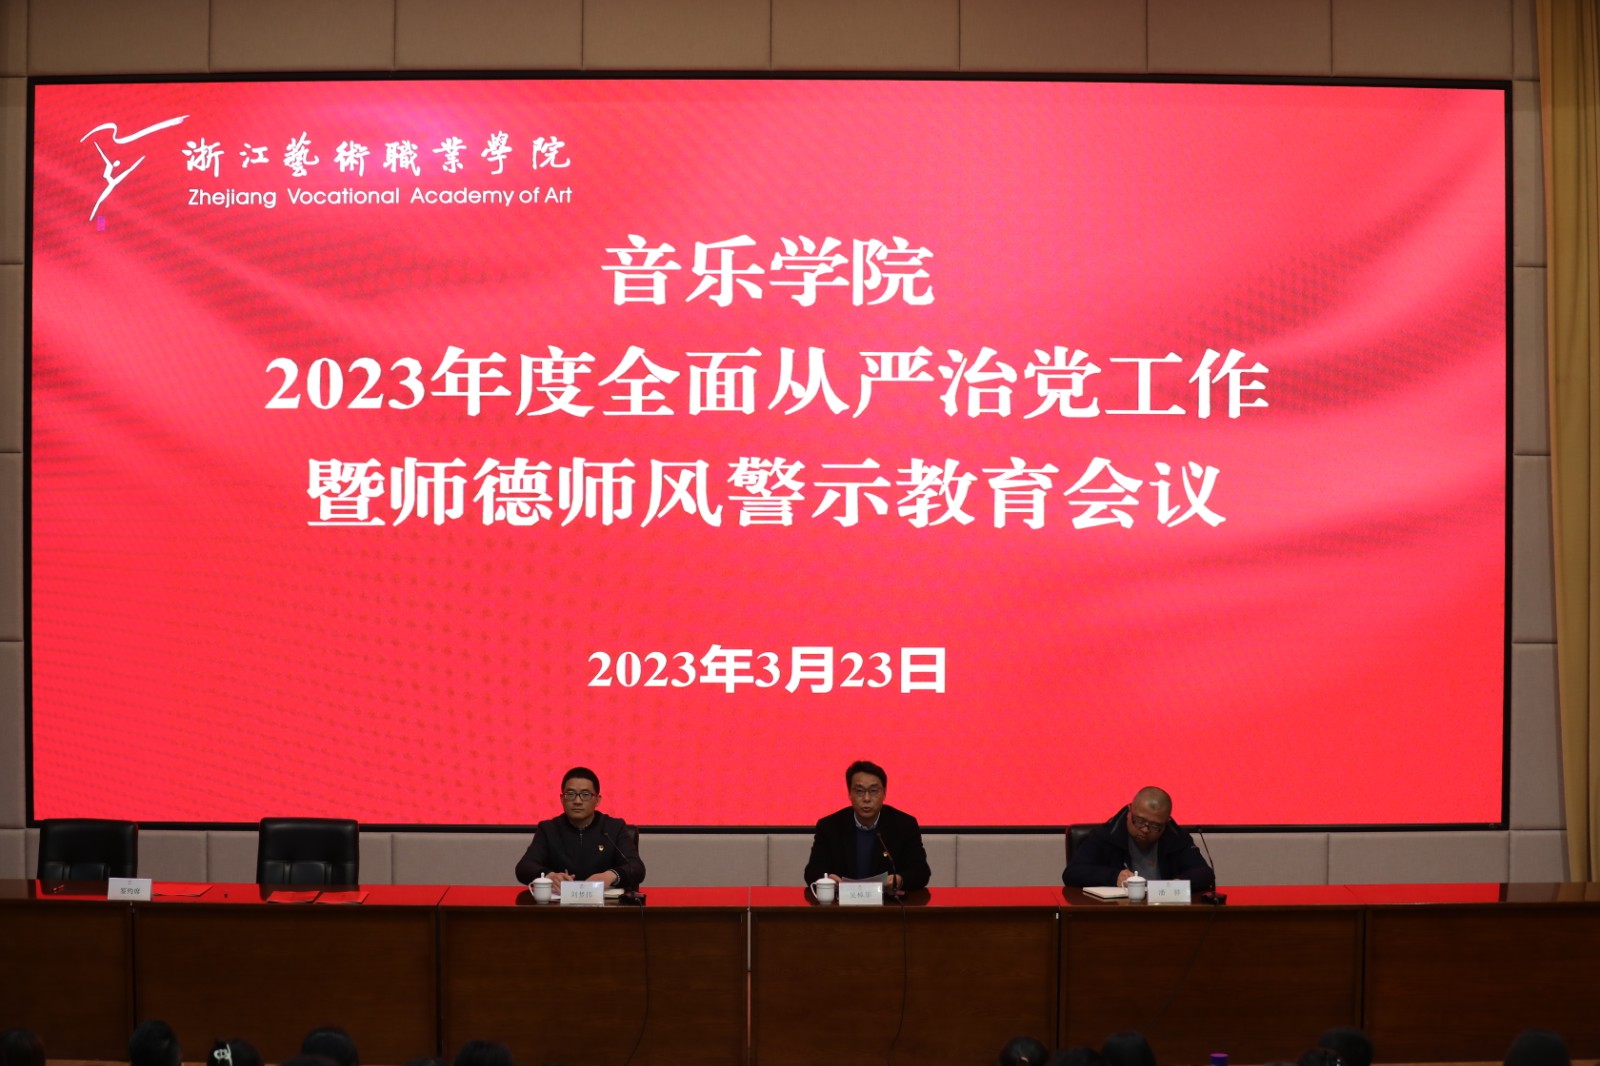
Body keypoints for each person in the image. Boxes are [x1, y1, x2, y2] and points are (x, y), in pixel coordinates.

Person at [803, 760, 931, 891]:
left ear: (884, 792)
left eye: (874, 791)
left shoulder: (904, 825)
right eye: (859, 791)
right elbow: (812, 871)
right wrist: (827, 880)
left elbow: (921, 871)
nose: (866, 798)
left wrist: (899, 880)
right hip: (842, 901)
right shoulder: (829, 826)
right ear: (849, 793)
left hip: (886, 902)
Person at [514, 766, 646, 888]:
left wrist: (610, 876)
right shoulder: (549, 829)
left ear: (597, 800)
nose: (577, 801)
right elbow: (524, 867)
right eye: (570, 794)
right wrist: (550, 876)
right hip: (559, 903)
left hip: (605, 903)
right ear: (562, 799)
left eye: (585, 795)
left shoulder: (614, 828)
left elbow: (636, 867)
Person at [1062, 786, 1215, 891]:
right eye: (1139, 821)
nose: (1145, 829)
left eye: (1155, 826)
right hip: (1118, 912)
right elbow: (1072, 873)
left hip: (1164, 910)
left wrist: (1177, 885)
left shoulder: (1176, 838)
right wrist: (1114, 877)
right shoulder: (1107, 835)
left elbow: (1204, 873)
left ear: (1166, 823)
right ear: (1130, 812)